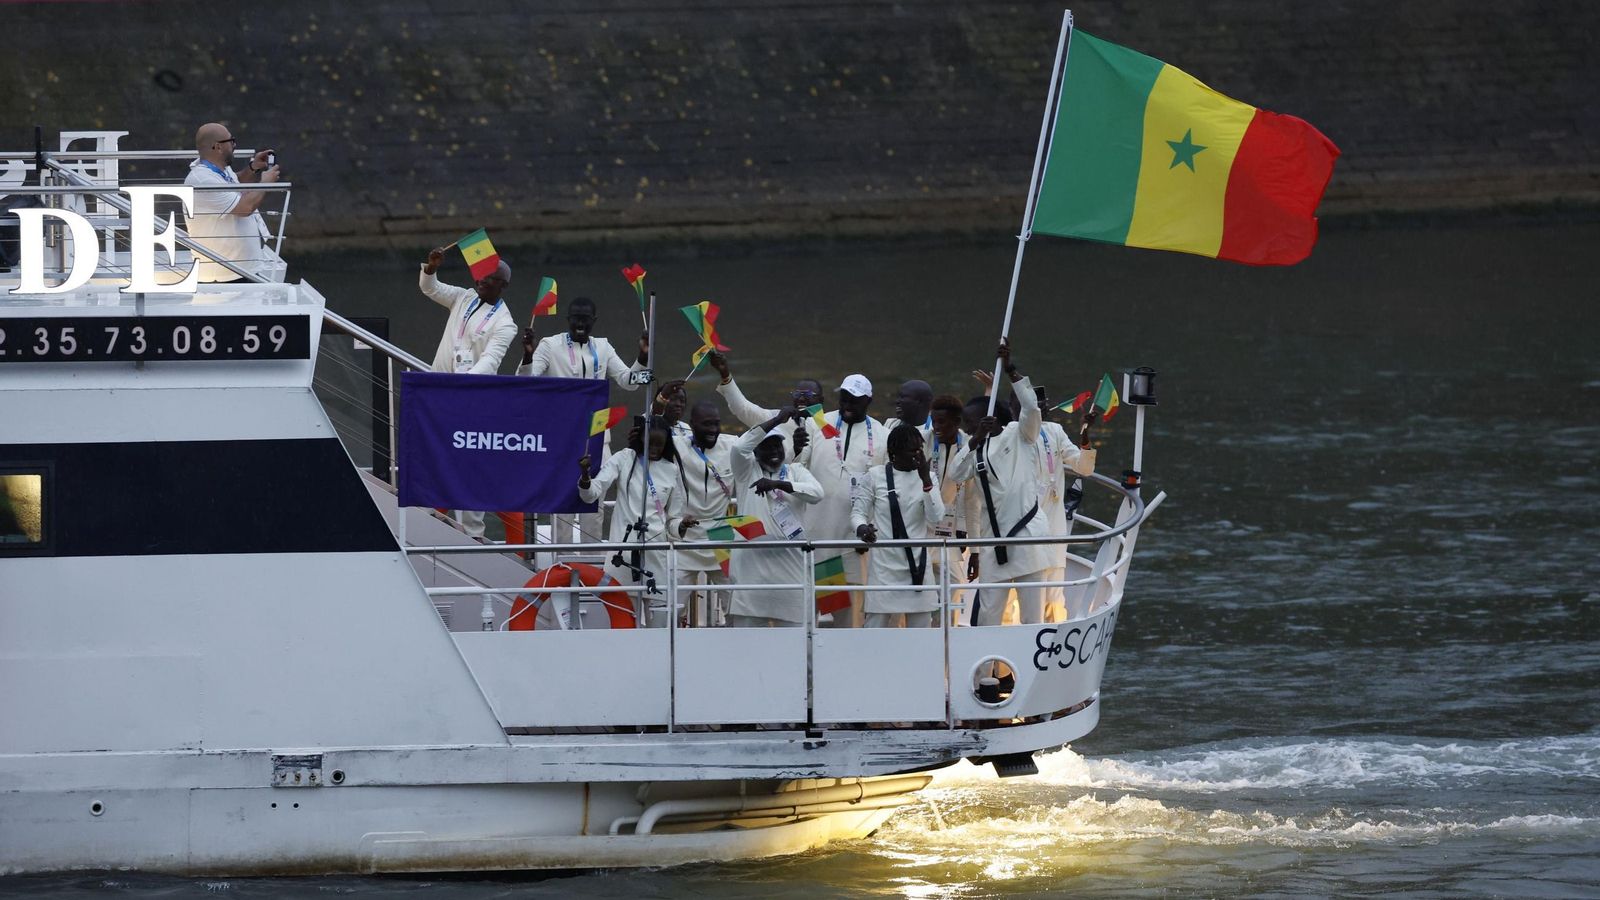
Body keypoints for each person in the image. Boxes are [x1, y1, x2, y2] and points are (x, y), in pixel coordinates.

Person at [947, 339, 1053, 625]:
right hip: (995, 542)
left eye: (971, 422)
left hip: (1026, 535)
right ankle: (983, 671)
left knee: (1032, 616)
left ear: (988, 417)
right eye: (968, 425)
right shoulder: (973, 448)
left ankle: (1034, 669)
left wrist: (1011, 371)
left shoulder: (1020, 435)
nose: (967, 427)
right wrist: (975, 440)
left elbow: (1031, 408)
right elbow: (956, 474)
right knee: (987, 616)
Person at [416, 245, 520, 539]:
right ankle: (427, 523)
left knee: (468, 465)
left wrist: (462, 386)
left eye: (490, 278)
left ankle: (471, 534)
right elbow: (431, 289)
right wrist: (433, 267)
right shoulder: (464, 296)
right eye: (481, 275)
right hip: (439, 395)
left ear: (503, 286)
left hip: (471, 400)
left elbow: (491, 361)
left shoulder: (505, 324)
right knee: (434, 456)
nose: (482, 280)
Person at [577, 421, 695, 627]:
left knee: (661, 625)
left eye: (660, 445)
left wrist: (682, 525)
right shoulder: (624, 458)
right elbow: (592, 493)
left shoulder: (672, 469)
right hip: (623, 556)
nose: (655, 450)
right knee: (623, 625)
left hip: (656, 555)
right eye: (651, 444)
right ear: (641, 439)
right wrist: (586, 476)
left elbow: (672, 522)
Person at [796, 373, 887, 626]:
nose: (847, 404)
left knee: (848, 621)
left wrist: (870, 527)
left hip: (851, 543)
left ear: (868, 400)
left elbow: (883, 490)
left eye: (854, 400)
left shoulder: (881, 434)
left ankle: (847, 665)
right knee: (805, 620)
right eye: (843, 398)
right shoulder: (818, 422)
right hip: (815, 539)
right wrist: (794, 448)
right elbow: (797, 467)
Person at [725, 407, 824, 627]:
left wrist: (780, 485)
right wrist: (778, 419)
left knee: (796, 648)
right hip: (751, 575)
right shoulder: (745, 471)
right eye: (766, 446)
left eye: (777, 445)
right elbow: (740, 447)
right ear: (755, 452)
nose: (774, 452)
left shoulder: (795, 470)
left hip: (790, 574)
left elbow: (817, 494)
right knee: (748, 648)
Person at [852, 424, 944, 627]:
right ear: (894, 452)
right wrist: (862, 529)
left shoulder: (929, 478)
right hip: (884, 569)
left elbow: (936, 517)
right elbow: (858, 513)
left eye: (920, 449)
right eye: (913, 450)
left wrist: (926, 479)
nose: (918, 455)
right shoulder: (875, 476)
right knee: (875, 631)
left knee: (921, 637)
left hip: (918, 568)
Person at [183, 123, 278, 283]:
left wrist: (253, 167)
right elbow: (244, 208)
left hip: (240, 270)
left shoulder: (219, 170)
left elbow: (234, 184)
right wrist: (265, 183)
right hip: (225, 275)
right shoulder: (202, 180)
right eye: (231, 141)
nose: (234, 145)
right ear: (218, 147)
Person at [673, 399, 737, 625]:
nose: (713, 430)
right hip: (684, 538)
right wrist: (662, 401)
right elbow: (650, 430)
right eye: (706, 424)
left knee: (737, 606)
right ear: (692, 425)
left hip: (720, 536)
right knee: (669, 611)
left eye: (717, 424)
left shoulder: (732, 446)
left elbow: (761, 438)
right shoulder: (676, 445)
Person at [707, 350, 823, 459]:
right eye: (797, 395)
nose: (801, 399)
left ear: (821, 400)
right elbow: (742, 408)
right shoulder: (778, 418)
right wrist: (725, 374)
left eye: (808, 395)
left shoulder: (831, 425)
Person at [516, 296, 649, 388]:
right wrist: (528, 355)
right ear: (568, 319)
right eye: (576, 318)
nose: (580, 324)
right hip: (560, 420)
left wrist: (643, 357)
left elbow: (630, 384)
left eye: (585, 319)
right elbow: (522, 383)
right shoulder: (550, 345)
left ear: (594, 320)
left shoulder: (604, 347)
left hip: (595, 423)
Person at [883, 379, 936, 453]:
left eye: (902, 397)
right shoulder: (890, 424)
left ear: (919, 401)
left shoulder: (934, 431)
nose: (897, 401)